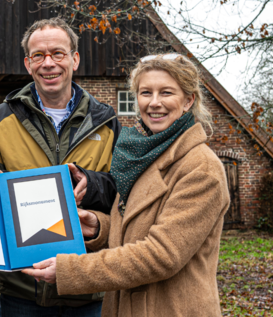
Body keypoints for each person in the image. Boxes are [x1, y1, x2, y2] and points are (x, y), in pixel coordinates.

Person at [22, 54, 230, 317]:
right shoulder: (143, 155)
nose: (154, 103)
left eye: (166, 92)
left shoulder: (201, 168)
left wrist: (70, 270)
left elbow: (161, 255)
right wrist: (99, 227)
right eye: (146, 92)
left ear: (189, 100)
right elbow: (135, 231)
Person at [0, 17, 121, 317]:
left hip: (88, 288)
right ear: (28, 64)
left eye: (58, 53)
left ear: (74, 59)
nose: (49, 64)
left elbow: (124, 194)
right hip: (22, 290)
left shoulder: (106, 123)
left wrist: (90, 183)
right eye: (39, 56)